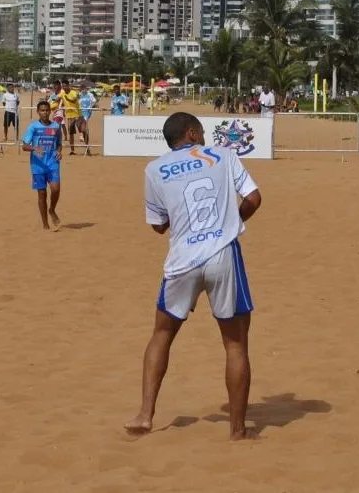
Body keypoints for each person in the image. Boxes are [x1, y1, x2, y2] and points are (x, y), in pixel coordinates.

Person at [125, 112, 262, 440]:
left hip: (183, 259)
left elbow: (157, 225)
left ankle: (145, 415)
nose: (204, 134)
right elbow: (255, 199)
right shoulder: (223, 155)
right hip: (223, 255)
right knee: (235, 344)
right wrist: (232, 221)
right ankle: (238, 431)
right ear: (190, 133)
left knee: (162, 333)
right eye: (201, 129)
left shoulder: (154, 169)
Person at [22, 101, 63, 231]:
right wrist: (34, 148)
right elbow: (24, 146)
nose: (45, 113)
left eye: (47, 110)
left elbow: (59, 143)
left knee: (55, 189)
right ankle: (45, 224)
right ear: (38, 112)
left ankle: (52, 210)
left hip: (52, 162)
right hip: (37, 164)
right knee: (42, 193)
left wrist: (59, 151)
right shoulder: (33, 127)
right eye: (42, 110)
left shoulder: (56, 126)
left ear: (50, 111)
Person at [60, 79, 82, 155]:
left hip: (77, 115)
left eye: (65, 86)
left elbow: (73, 100)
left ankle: (87, 147)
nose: (64, 87)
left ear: (68, 85)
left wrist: (66, 98)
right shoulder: (62, 93)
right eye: (63, 86)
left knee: (83, 131)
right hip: (69, 116)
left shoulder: (73, 92)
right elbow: (57, 99)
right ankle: (72, 150)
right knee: (71, 133)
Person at [77, 84, 97, 153]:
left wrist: (90, 106)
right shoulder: (80, 95)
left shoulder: (90, 95)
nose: (83, 90)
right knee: (81, 127)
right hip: (80, 112)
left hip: (87, 112)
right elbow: (78, 102)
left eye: (84, 89)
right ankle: (87, 145)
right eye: (82, 89)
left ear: (86, 89)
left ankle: (81, 135)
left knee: (84, 124)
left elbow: (94, 101)